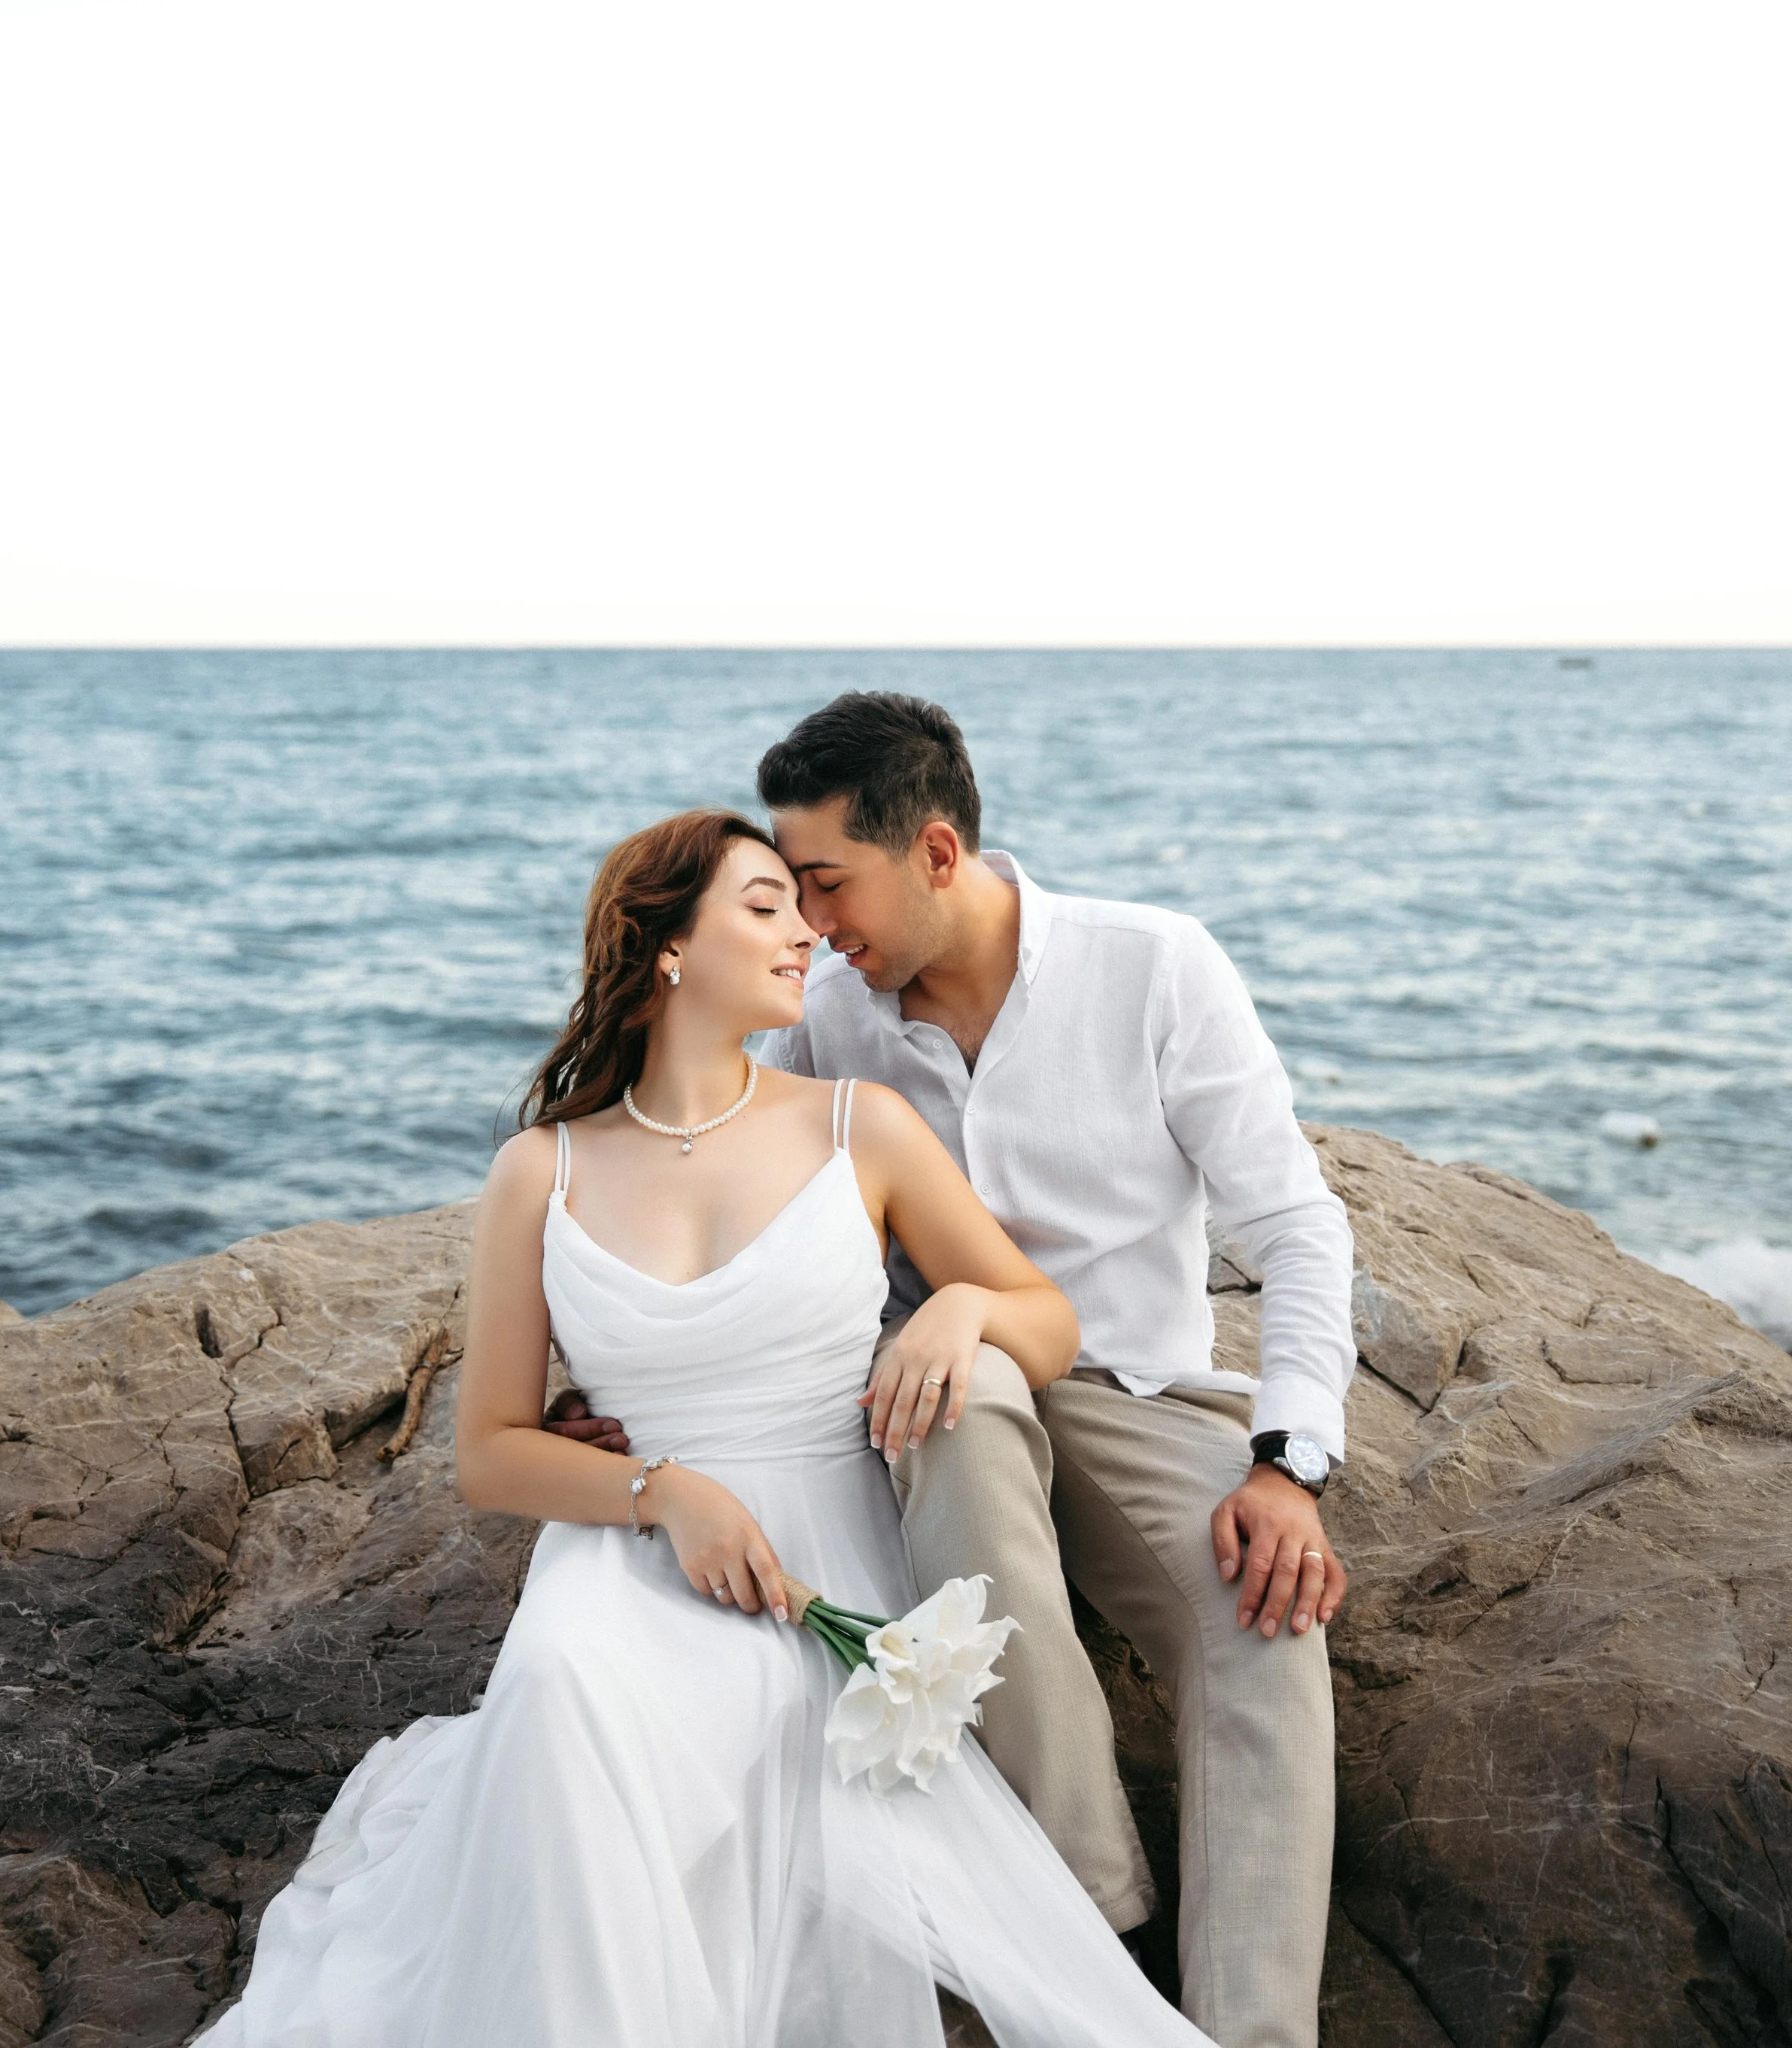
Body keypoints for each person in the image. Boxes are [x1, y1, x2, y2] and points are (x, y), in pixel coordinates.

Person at [207, 809, 1212, 2048]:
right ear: (668, 946)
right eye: (765, 906)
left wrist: (960, 1308)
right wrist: (661, 1493)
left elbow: (1044, 1317)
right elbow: (491, 1450)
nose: (807, 931)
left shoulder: (857, 1126)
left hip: (824, 1552)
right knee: (567, 1688)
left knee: (788, 1747)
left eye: (805, 903)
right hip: (631, 1551)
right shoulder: (546, 1168)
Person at [752, 693, 1356, 2048]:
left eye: (827, 882)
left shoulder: (1154, 964)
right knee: (958, 1413)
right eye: (789, 889)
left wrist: (1291, 1458)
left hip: (1141, 1390)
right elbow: (747, 1202)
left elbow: (1296, 1223)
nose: (808, 920)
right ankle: (1090, 1928)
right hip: (939, 1394)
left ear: (940, 852)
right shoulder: (827, 1015)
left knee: (1269, 1615)